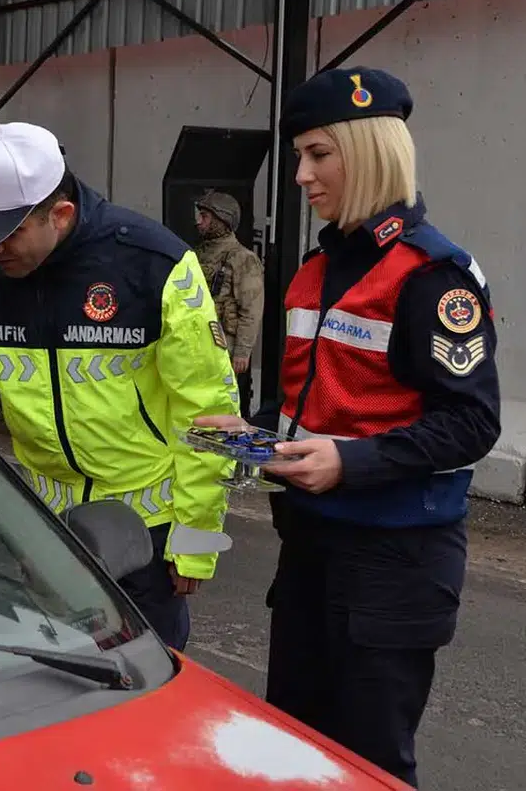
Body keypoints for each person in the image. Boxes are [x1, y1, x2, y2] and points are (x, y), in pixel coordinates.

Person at [193, 67, 501, 788]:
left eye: (318, 154)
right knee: (292, 747)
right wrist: (247, 430)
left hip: (393, 562)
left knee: (368, 764)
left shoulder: (433, 276)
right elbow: (312, 402)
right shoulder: (316, 267)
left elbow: (472, 422)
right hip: (310, 546)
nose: (300, 174)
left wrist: (349, 464)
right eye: (299, 155)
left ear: (367, 151)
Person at [0, 121, 239, 652]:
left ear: (60, 215)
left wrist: (195, 542)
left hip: (147, 530)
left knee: (144, 693)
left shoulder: (155, 266)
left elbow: (210, 411)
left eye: (8, 233)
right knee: (54, 684)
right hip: (47, 528)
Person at [192, 189, 264, 414]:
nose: (198, 222)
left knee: (223, 407)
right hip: (196, 343)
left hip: (225, 346)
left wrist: (242, 351)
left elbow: (251, 307)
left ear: (221, 220)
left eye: (205, 216)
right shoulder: (196, 253)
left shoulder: (242, 258)